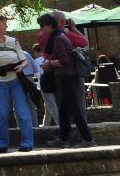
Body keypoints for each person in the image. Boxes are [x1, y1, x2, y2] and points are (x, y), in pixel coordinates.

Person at [0, 11, 34, 153]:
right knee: (1, 113)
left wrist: (22, 66)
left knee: (23, 112)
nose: (6, 25)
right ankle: (2, 144)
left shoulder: (12, 41)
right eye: (4, 22)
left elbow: (24, 60)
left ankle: (27, 143)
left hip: (16, 80)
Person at [36, 12, 92, 147]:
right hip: (65, 78)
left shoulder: (58, 39)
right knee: (63, 110)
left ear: (49, 25)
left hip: (66, 78)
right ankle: (64, 138)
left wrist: (48, 64)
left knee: (74, 110)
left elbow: (64, 61)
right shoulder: (61, 36)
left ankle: (88, 139)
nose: (41, 29)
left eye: (42, 26)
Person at [31, 40, 60, 128]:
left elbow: (37, 74)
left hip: (43, 85)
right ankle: (45, 124)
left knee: (51, 105)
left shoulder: (36, 61)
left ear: (36, 52)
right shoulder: (48, 59)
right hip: (53, 83)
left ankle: (60, 124)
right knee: (48, 106)